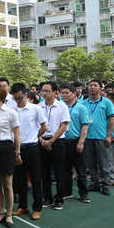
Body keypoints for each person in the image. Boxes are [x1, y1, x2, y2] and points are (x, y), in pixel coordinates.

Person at [10, 82, 47, 218]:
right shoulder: (12, 110)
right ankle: (23, 206)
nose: (18, 100)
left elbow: (44, 126)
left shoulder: (35, 109)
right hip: (17, 148)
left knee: (36, 178)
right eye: (15, 98)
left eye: (20, 97)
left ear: (26, 94)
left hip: (32, 147)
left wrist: (35, 136)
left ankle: (37, 208)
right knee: (20, 179)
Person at [0, 85, 19, 228]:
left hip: (6, 148)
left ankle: (9, 214)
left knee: (7, 184)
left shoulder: (10, 112)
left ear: (2, 96)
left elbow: (16, 135)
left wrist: (17, 152)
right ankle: (1, 212)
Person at [38, 81, 70, 210]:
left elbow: (64, 125)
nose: (44, 93)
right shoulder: (38, 107)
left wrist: (51, 141)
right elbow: (35, 125)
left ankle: (59, 198)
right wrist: (41, 139)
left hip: (58, 141)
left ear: (55, 92)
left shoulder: (62, 106)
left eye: (47, 91)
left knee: (59, 171)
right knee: (44, 171)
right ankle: (47, 198)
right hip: (42, 141)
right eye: (43, 91)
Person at [83, 80, 114, 195]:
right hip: (87, 137)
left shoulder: (107, 102)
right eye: (90, 85)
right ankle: (96, 183)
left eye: (95, 85)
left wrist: (109, 135)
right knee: (90, 163)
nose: (92, 87)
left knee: (103, 162)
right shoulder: (84, 103)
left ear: (100, 88)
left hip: (101, 137)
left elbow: (112, 119)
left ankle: (105, 184)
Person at [60, 83, 91, 203]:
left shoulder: (81, 108)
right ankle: (67, 192)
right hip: (63, 141)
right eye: (62, 93)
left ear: (74, 94)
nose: (64, 95)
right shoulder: (61, 106)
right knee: (65, 169)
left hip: (76, 141)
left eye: (67, 93)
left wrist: (81, 142)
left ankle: (83, 194)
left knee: (80, 170)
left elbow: (85, 126)